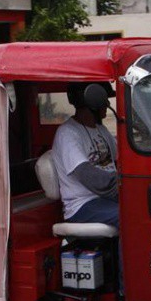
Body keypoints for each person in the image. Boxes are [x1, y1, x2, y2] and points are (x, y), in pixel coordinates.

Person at [50, 82, 119, 227]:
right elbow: (88, 176)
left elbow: (122, 157)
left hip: (106, 198)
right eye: (104, 100)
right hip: (83, 204)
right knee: (130, 216)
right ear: (93, 102)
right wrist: (122, 182)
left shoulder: (101, 129)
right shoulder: (68, 133)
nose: (107, 104)